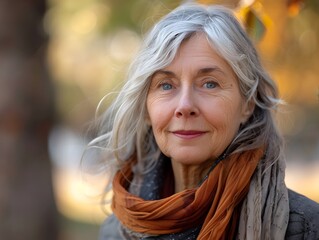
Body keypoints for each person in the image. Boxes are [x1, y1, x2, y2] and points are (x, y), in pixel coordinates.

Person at [90, 3, 319, 239]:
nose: (185, 106)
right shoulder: (115, 231)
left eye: (210, 83)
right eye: (166, 85)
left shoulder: (304, 229)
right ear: (146, 109)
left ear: (247, 103)